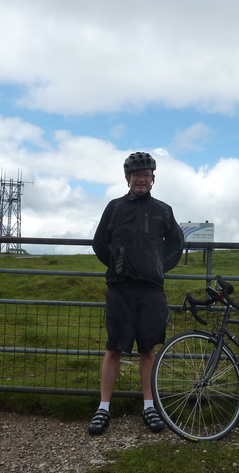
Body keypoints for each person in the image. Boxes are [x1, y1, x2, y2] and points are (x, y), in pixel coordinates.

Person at [89, 151, 184, 435]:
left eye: (145, 175)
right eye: (136, 175)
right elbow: (99, 242)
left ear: (153, 178)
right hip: (120, 287)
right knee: (113, 348)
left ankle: (149, 406)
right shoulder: (115, 207)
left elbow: (176, 244)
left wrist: (158, 266)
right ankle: (103, 408)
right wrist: (117, 264)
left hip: (151, 290)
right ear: (127, 178)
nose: (141, 179)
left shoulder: (163, 210)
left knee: (148, 349)